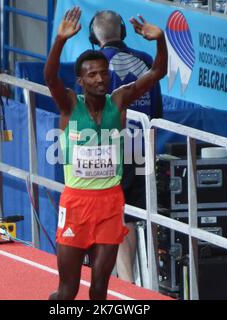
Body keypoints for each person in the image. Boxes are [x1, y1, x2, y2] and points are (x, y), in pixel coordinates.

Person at [44, 6, 167, 300]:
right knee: (66, 291)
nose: (100, 79)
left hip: (110, 204)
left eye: (103, 73)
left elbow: (158, 71)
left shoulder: (120, 100)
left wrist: (160, 39)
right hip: (76, 203)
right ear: (81, 81)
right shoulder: (69, 105)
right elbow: (50, 78)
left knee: (99, 290)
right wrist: (59, 41)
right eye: (92, 75)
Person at [89, 10, 163, 283]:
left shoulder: (95, 67)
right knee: (130, 216)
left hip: (113, 151)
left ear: (93, 36)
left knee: (115, 216)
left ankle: (126, 283)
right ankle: (127, 279)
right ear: (122, 31)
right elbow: (157, 111)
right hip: (142, 148)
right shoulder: (144, 60)